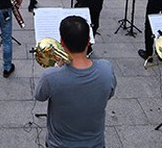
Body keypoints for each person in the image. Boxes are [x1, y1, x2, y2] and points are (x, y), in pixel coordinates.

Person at [34, 15, 117, 148]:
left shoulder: (51, 76)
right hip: (96, 144)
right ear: (89, 41)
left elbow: (39, 95)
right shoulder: (106, 69)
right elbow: (109, 94)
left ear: (61, 42)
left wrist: (57, 68)